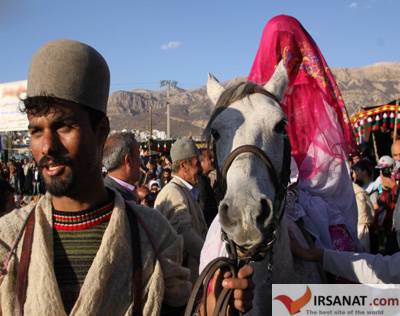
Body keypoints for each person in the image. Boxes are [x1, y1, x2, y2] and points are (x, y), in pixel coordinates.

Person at [0, 39, 253, 316]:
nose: (47, 146)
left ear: (100, 131)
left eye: (63, 127)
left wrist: (212, 308)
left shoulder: (153, 236)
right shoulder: (9, 242)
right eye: (36, 131)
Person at [248, 14, 359, 252]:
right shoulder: (257, 106)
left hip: (316, 212)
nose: (283, 54)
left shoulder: (320, 106)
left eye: (288, 47)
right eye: (277, 47)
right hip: (268, 204)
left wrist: (294, 200)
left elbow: (331, 174)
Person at [155, 137, 208, 283]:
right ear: (184, 165)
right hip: (183, 284)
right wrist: (211, 258)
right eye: (197, 164)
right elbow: (186, 234)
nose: (201, 169)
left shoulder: (185, 191)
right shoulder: (174, 193)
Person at [102, 132, 140, 203]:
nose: (140, 163)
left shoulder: (108, 190)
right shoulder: (115, 199)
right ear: (128, 160)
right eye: (138, 157)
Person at [197, 148, 218, 227]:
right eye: (209, 158)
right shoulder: (200, 181)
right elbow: (203, 205)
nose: (212, 160)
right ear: (201, 162)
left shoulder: (204, 178)